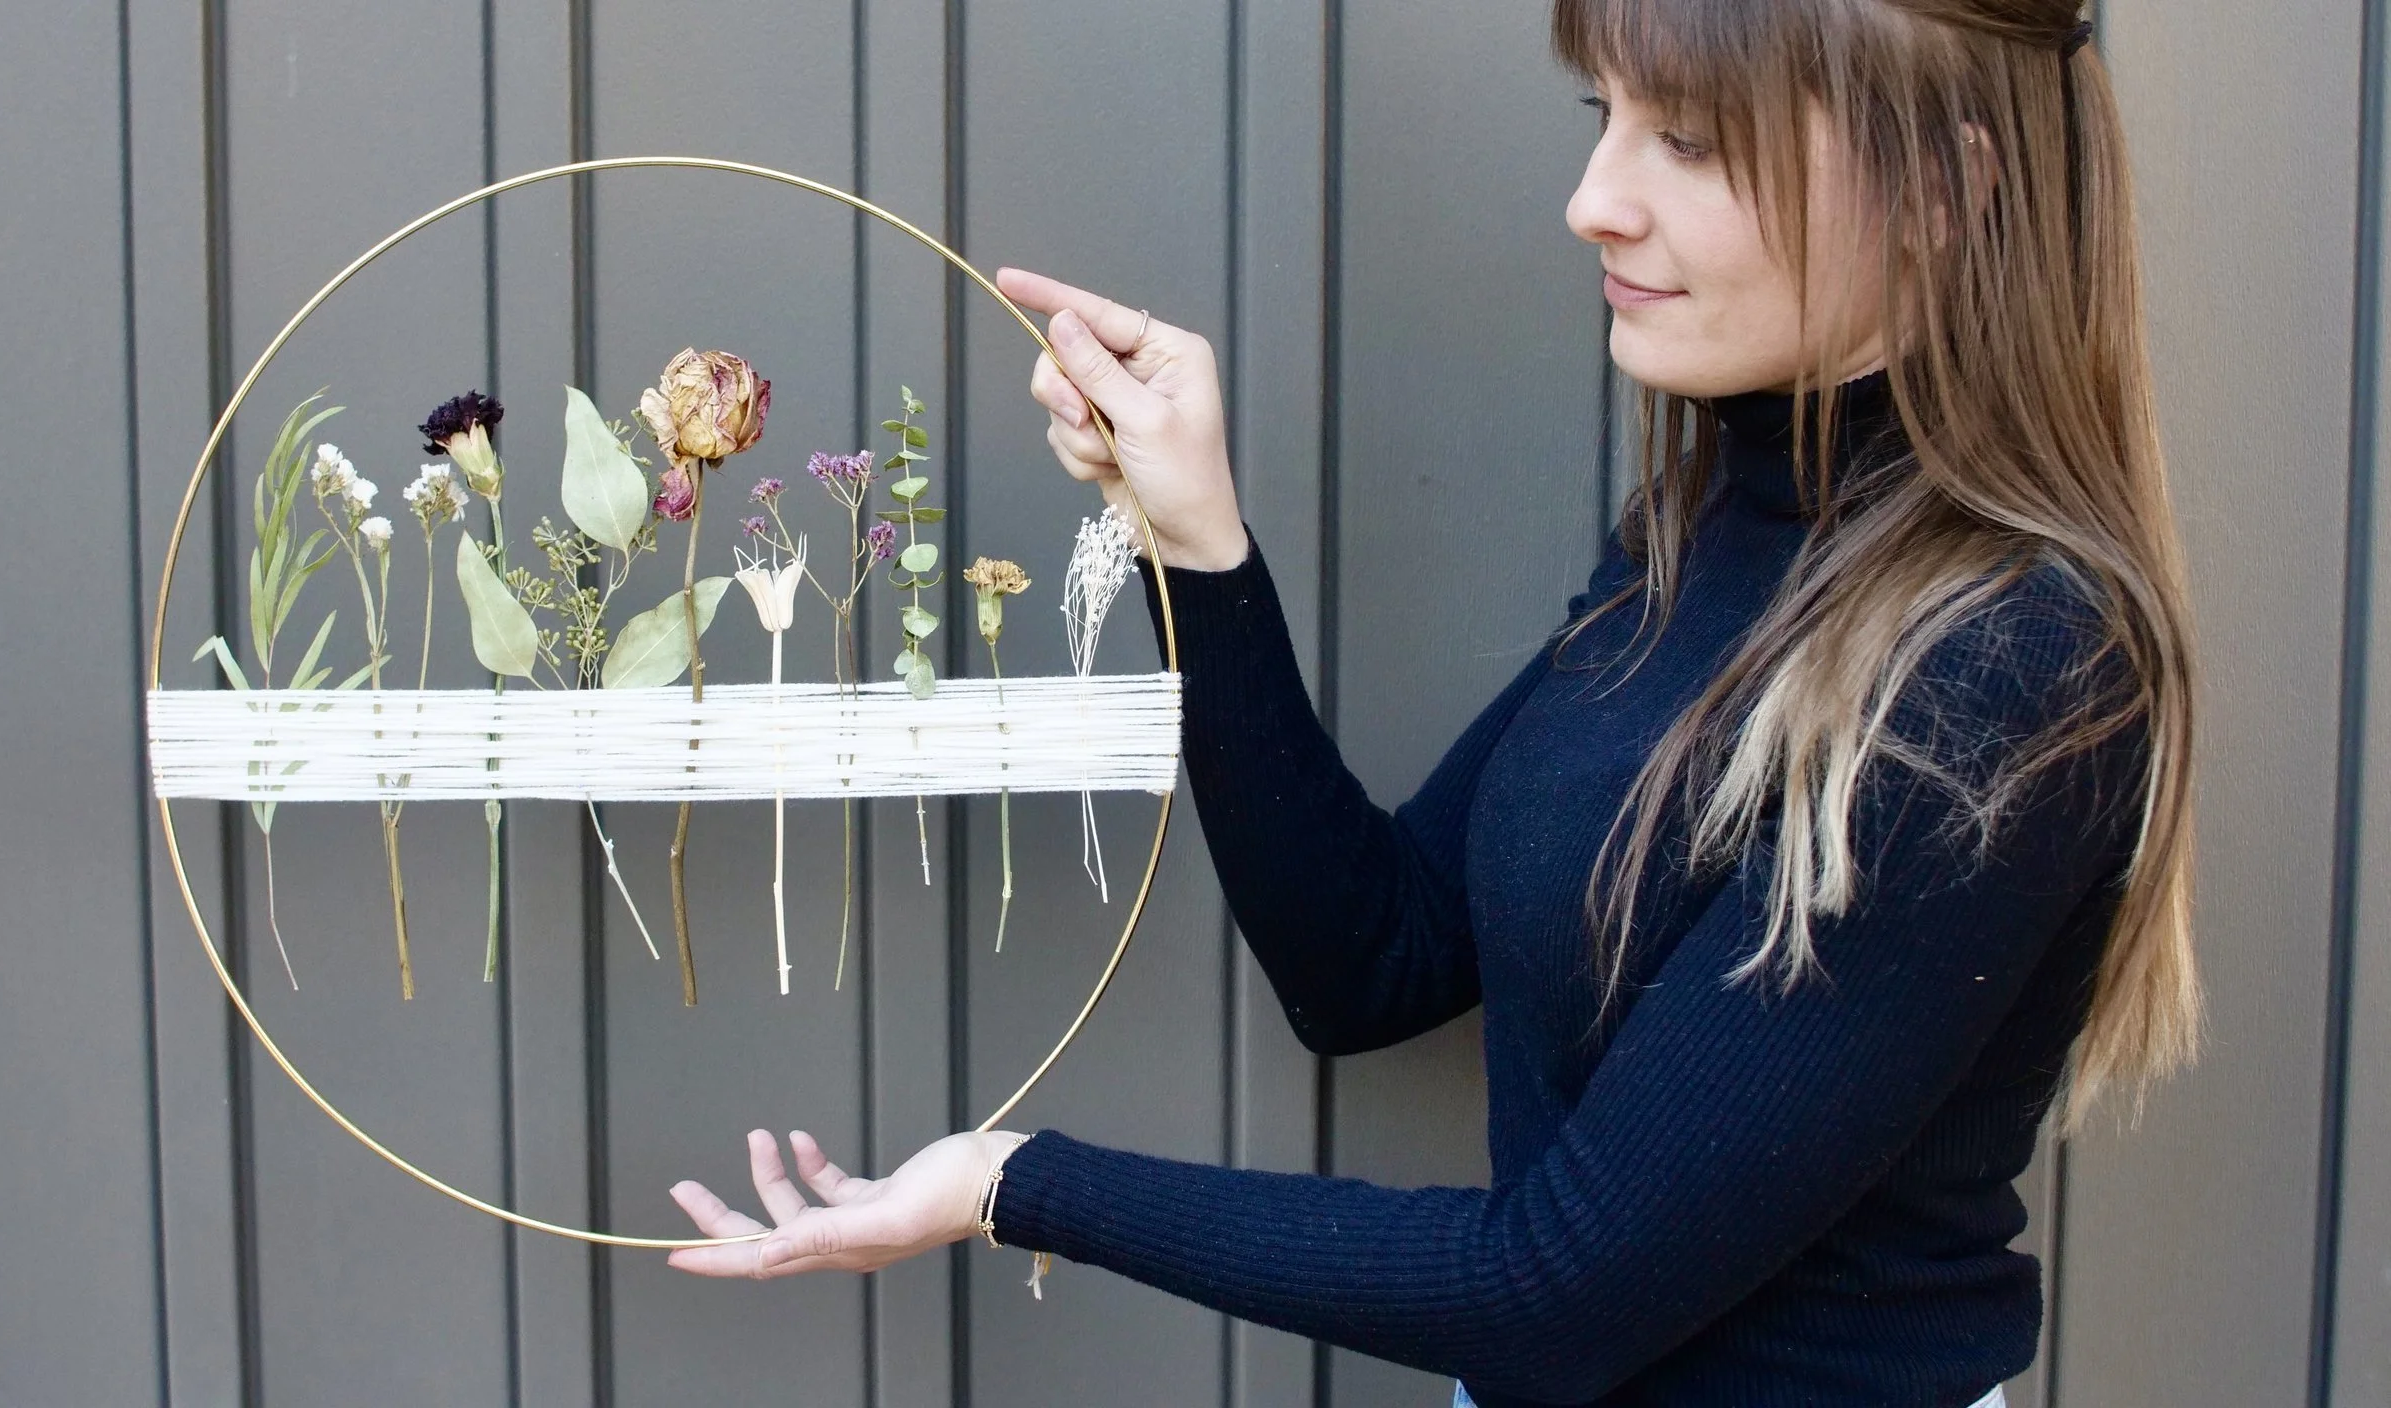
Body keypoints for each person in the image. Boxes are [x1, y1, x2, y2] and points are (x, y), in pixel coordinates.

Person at [662, 1, 2203, 1402]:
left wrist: (1010, 1181)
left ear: (1941, 190)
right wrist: (1194, 540)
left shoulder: (2006, 666)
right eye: (1600, 115)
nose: (1594, 199)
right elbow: (1371, 961)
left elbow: (1553, 1291)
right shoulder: (1694, 547)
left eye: (1692, 139)